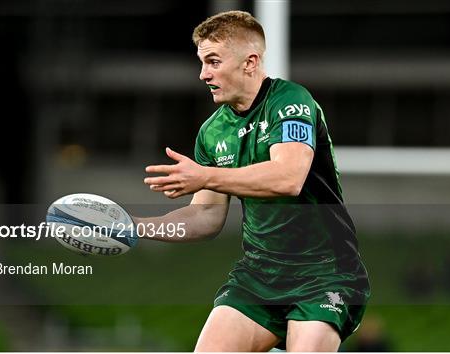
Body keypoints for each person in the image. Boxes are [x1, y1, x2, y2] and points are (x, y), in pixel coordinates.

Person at [134, 10, 370, 352]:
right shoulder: (212, 132)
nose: (203, 74)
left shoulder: (290, 102)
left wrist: (205, 175)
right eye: (202, 62)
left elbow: (288, 177)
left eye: (213, 61)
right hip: (259, 278)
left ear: (250, 62)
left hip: (325, 273)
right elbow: (206, 217)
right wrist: (134, 226)